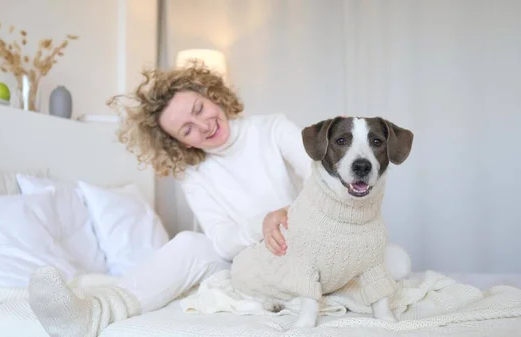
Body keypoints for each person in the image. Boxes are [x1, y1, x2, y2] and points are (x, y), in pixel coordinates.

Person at [27, 62, 411, 336]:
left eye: (199, 109)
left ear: (212, 95)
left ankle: (315, 290)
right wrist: (260, 224)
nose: (204, 125)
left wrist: (294, 211)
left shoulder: (271, 128)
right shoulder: (192, 172)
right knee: (188, 244)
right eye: (187, 129)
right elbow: (221, 239)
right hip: (244, 257)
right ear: (177, 142)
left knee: (396, 261)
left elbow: (325, 172)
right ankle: (93, 313)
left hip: (307, 245)